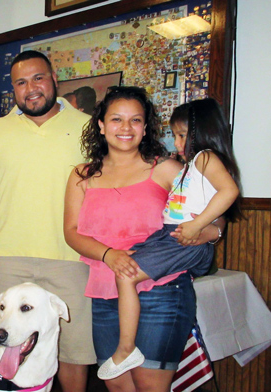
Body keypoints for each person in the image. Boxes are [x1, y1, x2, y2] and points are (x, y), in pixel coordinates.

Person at [64, 87, 225, 391]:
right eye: (116, 119)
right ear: (100, 125)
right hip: (104, 293)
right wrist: (109, 254)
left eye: (135, 120)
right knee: (118, 385)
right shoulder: (82, 174)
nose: (126, 128)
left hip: (162, 293)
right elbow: (71, 232)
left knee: (150, 386)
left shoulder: (165, 168)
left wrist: (209, 232)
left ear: (145, 126)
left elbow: (217, 209)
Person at [0, 50, 96, 392]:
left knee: (72, 355)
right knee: (5, 346)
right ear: (13, 90)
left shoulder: (89, 127)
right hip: (8, 260)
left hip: (72, 258)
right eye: (20, 82)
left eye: (38, 78)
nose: (31, 88)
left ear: (54, 80)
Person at [97, 97, 242, 380]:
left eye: (182, 135)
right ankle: (126, 348)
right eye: (174, 135)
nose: (176, 143)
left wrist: (200, 226)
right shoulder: (191, 163)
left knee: (126, 275)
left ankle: (126, 349)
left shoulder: (205, 158)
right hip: (171, 236)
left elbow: (229, 192)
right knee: (129, 263)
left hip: (180, 238)